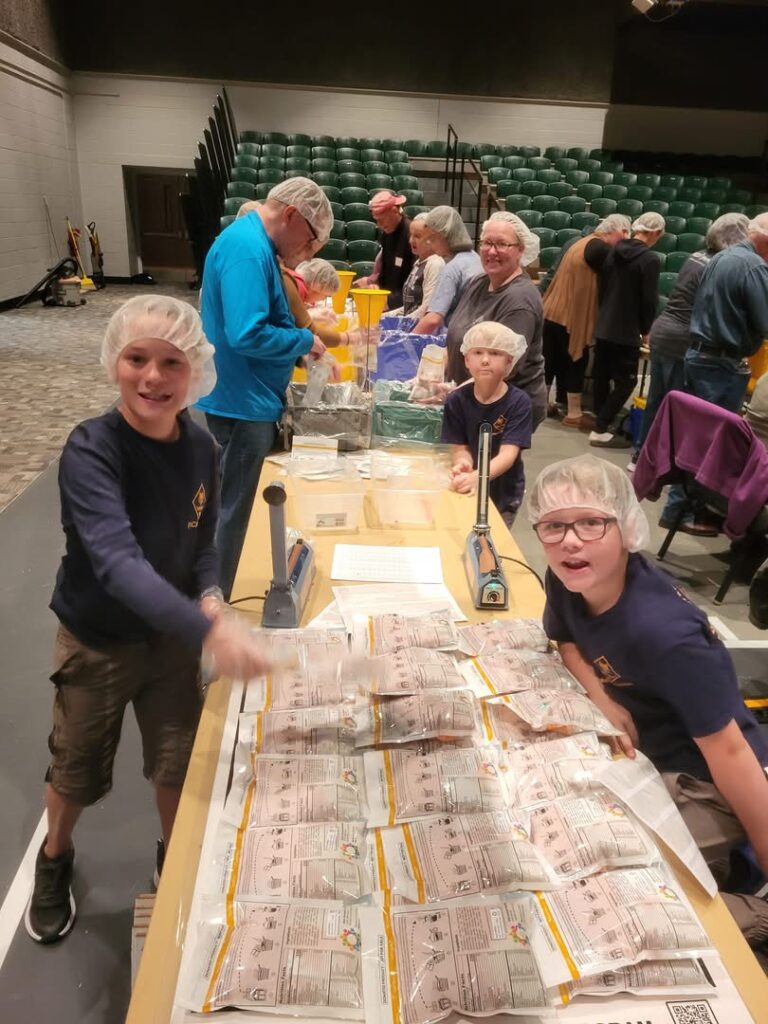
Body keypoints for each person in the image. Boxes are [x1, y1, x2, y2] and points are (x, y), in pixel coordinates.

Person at [26, 296, 272, 945]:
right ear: (114, 360)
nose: (153, 377)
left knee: (177, 760)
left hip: (170, 642)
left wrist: (210, 595)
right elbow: (116, 562)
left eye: (172, 363)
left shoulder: (200, 444)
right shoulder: (93, 449)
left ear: (196, 372)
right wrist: (208, 630)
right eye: (137, 358)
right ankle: (54, 855)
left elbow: (203, 540)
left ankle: (176, 856)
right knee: (76, 765)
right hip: (99, 639)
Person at [528, 454, 768, 947]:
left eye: (591, 523)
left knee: (625, 900)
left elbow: (731, 754)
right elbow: (566, 641)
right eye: (553, 525)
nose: (569, 540)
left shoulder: (665, 633)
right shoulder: (568, 577)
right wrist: (603, 699)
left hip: (703, 779)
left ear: (628, 529)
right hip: (643, 755)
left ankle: (755, 915)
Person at [196, 177, 333, 600]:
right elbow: (246, 333)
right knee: (231, 512)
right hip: (241, 402)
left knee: (231, 506)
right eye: (309, 241)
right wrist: (303, 340)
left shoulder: (256, 246)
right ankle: (215, 601)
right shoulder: (247, 249)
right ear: (291, 215)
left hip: (247, 395)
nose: (306, 252)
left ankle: (214, 593)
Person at [643, 214, 750, 535]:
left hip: (665, 333)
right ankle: (678, 503)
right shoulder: (720, 265)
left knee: (661, 409)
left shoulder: (697, 256)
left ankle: (647, 467)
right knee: (691, 428)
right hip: (684, 341)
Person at [444, 212, 547, 428]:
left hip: (504, 410)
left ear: (521, 250)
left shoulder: (520, 300)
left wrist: (450, 395)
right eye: (487, 243)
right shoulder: (479, 282)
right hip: (470, 397)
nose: (492, 251)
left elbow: (501, 369)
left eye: (501, 244)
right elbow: (456, 338)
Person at [542, 214, 631, 429]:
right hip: (571, 315)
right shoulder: (599, 247)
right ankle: (574, 413)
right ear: (615, 230)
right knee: (576, 361)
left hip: (552, 310)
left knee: (550, 361)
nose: (627, 238)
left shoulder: (579, 241)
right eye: (625, 233)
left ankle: (542, 405)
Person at [441, 321, 532, 528]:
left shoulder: (519, 402)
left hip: (504, 492)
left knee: (495, 538)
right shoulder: (456, 400)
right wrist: (463, 463)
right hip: (469, 485)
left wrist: (478, 477)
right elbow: (460, 446)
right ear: (466, 360)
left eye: (495, 353)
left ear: (509, 361)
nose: (485, 360)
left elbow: (508, 455)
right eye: (478, 352)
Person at [588, 212, 665, 449]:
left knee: (602, 376)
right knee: (626, 381)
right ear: (655, 233)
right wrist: (646, 329)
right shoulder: (650, 259)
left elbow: (602, 286)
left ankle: (600, 420)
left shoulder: (613, 251)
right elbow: (648, 300)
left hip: (605, 324)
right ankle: (600, 428)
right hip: (626, 329)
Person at [685, 212, 768, 413]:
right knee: (715, 429)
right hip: (721, 366)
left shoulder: (720, 256)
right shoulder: (753, 265)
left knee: (696, 424)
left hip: (699, 356)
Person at [411, 206, 483, 334]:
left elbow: (432, 320)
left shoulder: (452, 269)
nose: (429, 243)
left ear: (443, 236)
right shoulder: (476, 258)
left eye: (431, 238)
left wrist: (407, 342)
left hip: (456, 336)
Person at [354, 190, 413, 308]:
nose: (379, 225)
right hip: (387, 300)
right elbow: (385, 270)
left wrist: (389, 301)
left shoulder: (411, 236)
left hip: (403, 303)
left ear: (395, 211)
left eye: (381, 219)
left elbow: (413, 283)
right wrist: (376, 287)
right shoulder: (387, 234)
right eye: (376, 220)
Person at [280, 258, 356, 348]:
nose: (322, 299)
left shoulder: (293, 280)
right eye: (325, 296)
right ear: (318, 286)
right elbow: (307, 332)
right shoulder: (296, 289)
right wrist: (351, 338)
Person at [390, 213, 445, 319]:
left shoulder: (435, 264)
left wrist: (401, 322)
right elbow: (409, 307)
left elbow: (426, 309)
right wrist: (385, 316)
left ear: (432, 238)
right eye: (410, 235)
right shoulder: (418, 262)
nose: (411, 240)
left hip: (419, 327)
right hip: (409, 324)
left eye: (417, 236)